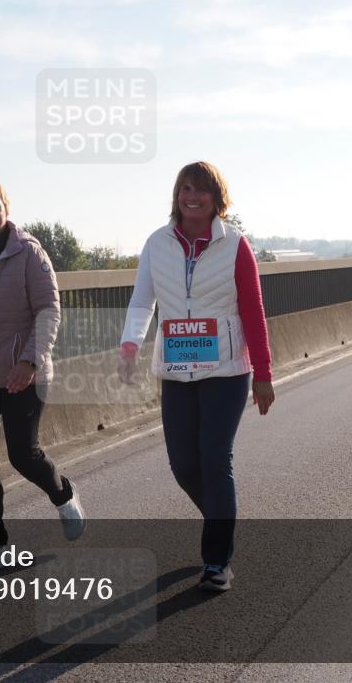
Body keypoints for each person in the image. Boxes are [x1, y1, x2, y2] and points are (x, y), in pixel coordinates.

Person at [118, 161, 275, 592]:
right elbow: (141, 300)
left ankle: (216, 560)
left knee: (213, 456)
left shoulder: (236, 246)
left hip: (226, 370)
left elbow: (253, 312)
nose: (193, 196)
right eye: (186, 188)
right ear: (177, 195)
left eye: (202, 190)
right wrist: (130, 343)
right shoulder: (157, 242)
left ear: (216, 197)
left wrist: (263, 373)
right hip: (176, 369)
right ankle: (222, 521)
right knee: (183, 463)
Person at [0, 181, 86, 576]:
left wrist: (30, 361)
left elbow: (48, 310)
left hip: (22, 373)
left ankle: (62, 493)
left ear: (6, 210)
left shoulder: (29, 252)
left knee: (23, 455)